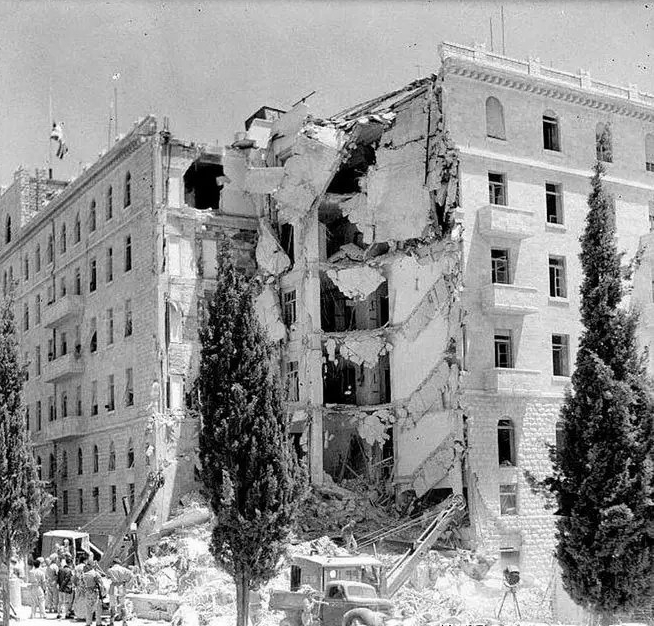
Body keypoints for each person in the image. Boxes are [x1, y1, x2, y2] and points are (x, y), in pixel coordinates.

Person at [107, 558, 133, 626]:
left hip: (113, 587)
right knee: (123, 605)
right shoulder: (124, 569)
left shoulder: (110, 570)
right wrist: (126, 581)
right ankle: (124, 622)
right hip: (121, 586)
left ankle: (111, 622)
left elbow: (108, 577)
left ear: (113, 563)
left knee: (113, 605)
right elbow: (131, 575)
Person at [81, 557, 106, 626]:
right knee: (98, 608)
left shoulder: (84, 575)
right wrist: (103, 592)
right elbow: (101, 584)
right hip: (95, 592)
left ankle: (88, 623)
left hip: (87, 592)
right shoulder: (95, 574)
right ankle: (98, 623)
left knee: (88, 608)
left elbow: (81, 585)